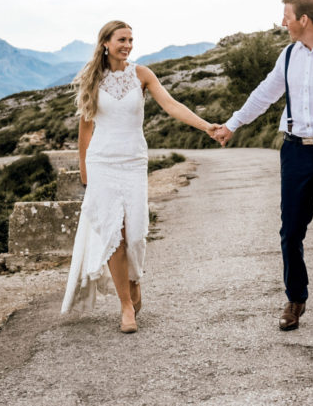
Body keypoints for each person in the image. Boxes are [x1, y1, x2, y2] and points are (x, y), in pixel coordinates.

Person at [213, 0, 313, 340]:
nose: (282, 22)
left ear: (304, 19)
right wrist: (232, 124)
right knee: (291, 232)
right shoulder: (288, 55)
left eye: (286, 16)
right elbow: (264, 93)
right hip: (295, 152)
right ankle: (295, 300)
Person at [61, 20, 218, 333]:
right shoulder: (92, 78)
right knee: (112, 232)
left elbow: (171, 105)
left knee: (134, 233)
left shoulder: (142, 75)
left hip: (133, 161)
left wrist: (207, 126)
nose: (128, 45)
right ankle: (125, 306)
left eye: (131, 39)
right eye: (122, 39)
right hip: (102, 162)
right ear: (106, 42)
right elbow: (85, 128)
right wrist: (84, 171)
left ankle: (134, 280)